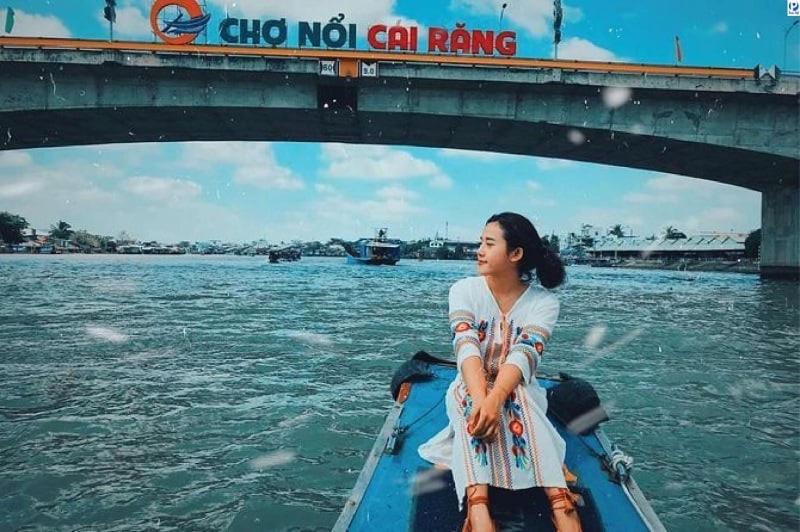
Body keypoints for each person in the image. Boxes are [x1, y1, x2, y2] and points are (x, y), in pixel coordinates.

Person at [418, 212, 581, 532]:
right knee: (469, 400)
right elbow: (466, 347)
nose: (479, 250)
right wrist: (483, 401)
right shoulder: (463, 290)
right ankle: (478, 505)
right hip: (470, 382)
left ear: (515, 254)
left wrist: (496, 401)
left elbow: (524, 355)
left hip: (519, 386)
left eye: (489, 244)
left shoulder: (544, 302)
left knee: (520, 398)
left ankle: (558, 498)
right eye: (481, 242)